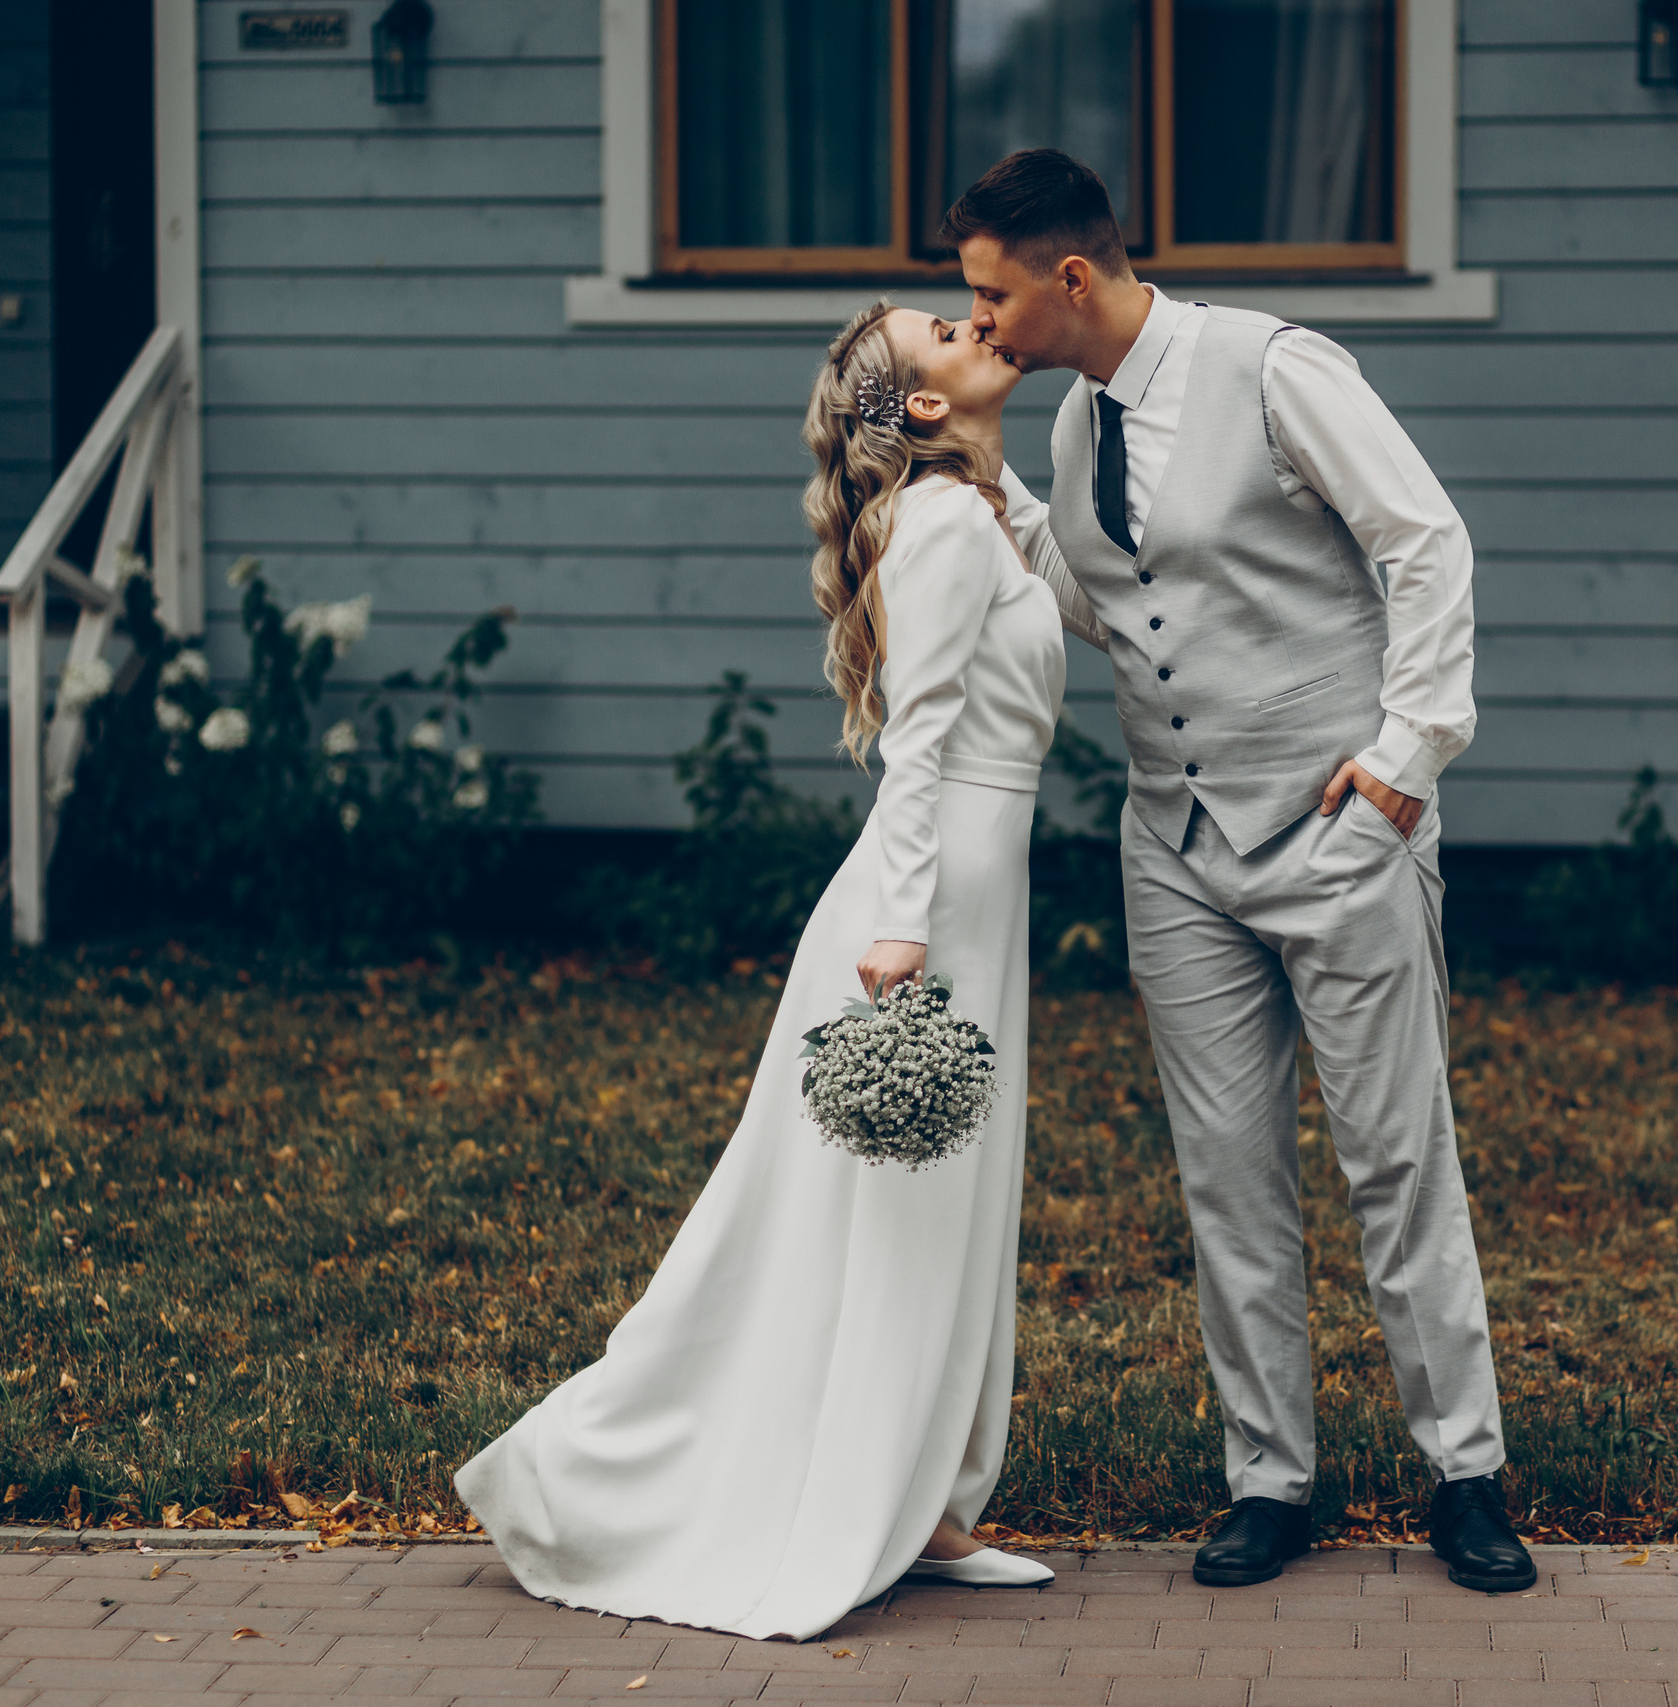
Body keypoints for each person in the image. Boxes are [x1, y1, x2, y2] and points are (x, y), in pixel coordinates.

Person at [452, 299, 1108, 1642]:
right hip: (918, 912)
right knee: (861, 1216)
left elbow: (1079, 607)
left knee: (944, 1208)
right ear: (920, 405)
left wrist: (1002, 472)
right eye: (947, 328)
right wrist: (904, 928)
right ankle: (623, 1475)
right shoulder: (932, 531)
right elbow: (919, 742)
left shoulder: (976, 515)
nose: (979, 321)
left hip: (984, 892)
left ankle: (923, 1501)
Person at [946, 148, 1536, 1595]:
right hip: (1179, 847)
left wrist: (1409, 755)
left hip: (1342, 827)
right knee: (1227, 1178)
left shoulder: (1273, 369)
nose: (981, 321)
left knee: (1396, 1160)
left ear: (1068, 277)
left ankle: (1466, 1472)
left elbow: (1425, 539)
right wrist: (985, 479)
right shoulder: (1082, 424)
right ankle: (1271, 1481)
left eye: (991, 294)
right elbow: (1104, 604)